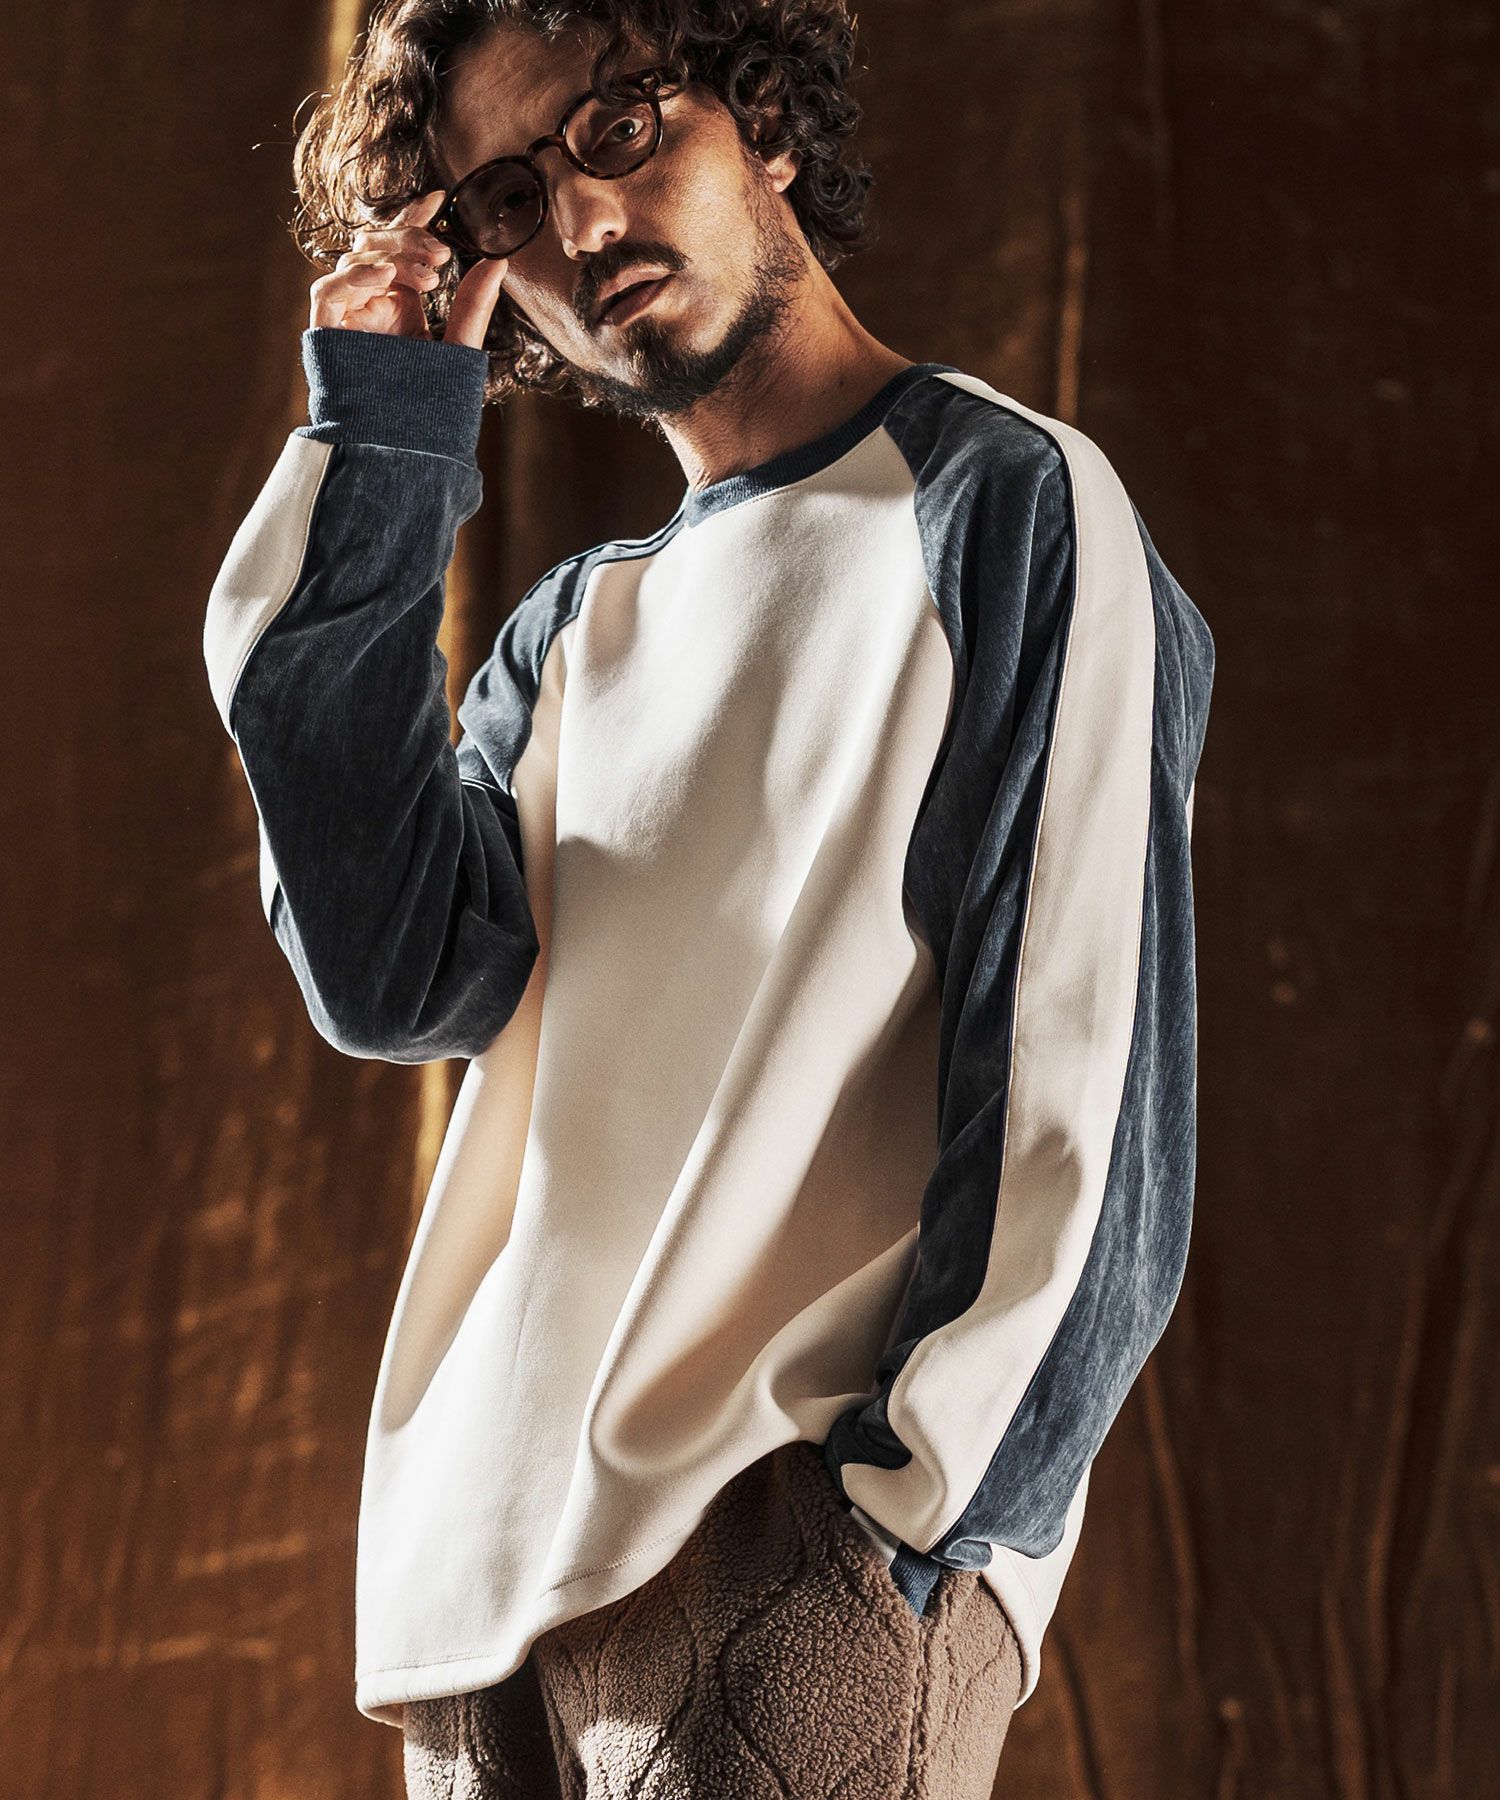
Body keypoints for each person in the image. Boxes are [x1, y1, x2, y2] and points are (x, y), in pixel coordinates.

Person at [201, 1, 1216, 1793]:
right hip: (475, 1598)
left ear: (768, 118)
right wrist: (384, 436)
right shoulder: (566, 634)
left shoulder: (1003, 507)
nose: (583, 226)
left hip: (791, 1549)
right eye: (508, 201)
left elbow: (1086, 1061)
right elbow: (392, 977)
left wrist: (911, 1529)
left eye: (618, 130)